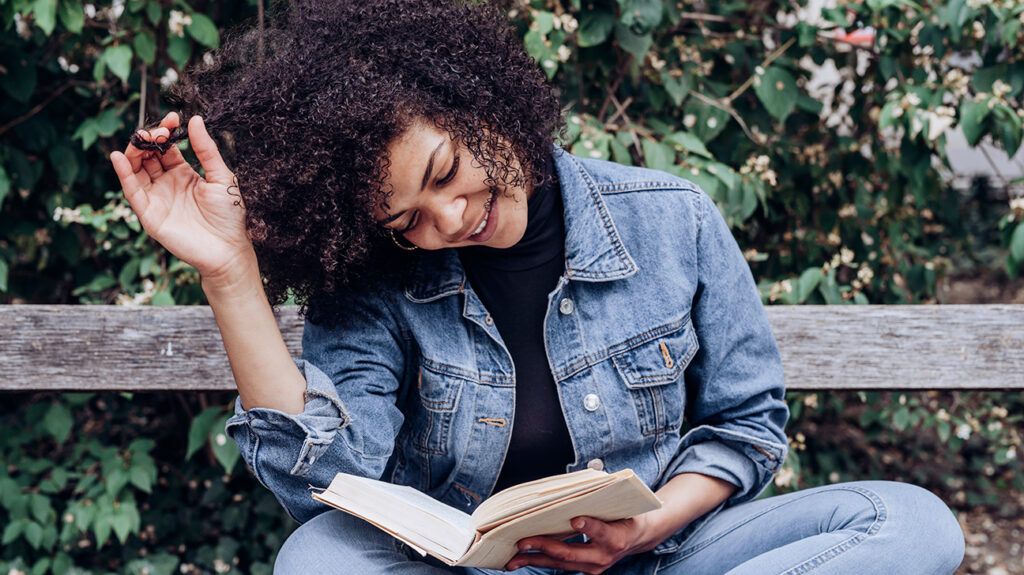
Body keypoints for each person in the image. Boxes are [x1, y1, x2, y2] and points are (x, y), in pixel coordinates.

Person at [108, 1, 966, 573]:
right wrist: (230, 274)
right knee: (317, 559)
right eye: (406, 218)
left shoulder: (672, 220)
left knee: (913, 524)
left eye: (445, 172)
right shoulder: (380, 280)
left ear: (478, 98)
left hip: (669, 556)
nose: (446, 220)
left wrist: (650, 524)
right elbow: (323, 483)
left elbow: (746, 426)